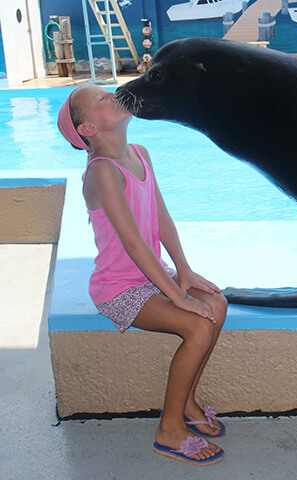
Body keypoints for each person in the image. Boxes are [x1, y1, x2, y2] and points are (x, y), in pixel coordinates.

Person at [58, 84, 228, 466]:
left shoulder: (140, 154)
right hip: (118, 287)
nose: (114, 95)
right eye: (101, 100)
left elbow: (161, 219)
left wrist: (183, 271)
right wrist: (176, 296)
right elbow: (134, 244)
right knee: (198, 326)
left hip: (153, 276)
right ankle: (169, 428)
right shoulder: (102, 171)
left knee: (217, 302)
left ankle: (186, 402)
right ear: (88, 130)